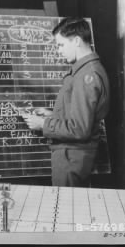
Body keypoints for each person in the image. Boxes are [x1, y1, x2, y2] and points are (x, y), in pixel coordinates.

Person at [23, 17, 110, 187]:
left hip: (71, 158)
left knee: (66, 210)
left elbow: (79, 129)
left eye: (61, 45)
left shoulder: (86, 76)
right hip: (73, 156)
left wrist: (43, 124)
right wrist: (52, 114)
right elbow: (80, 116)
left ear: (76, 41)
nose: (58, 51)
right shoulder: (87, 70)